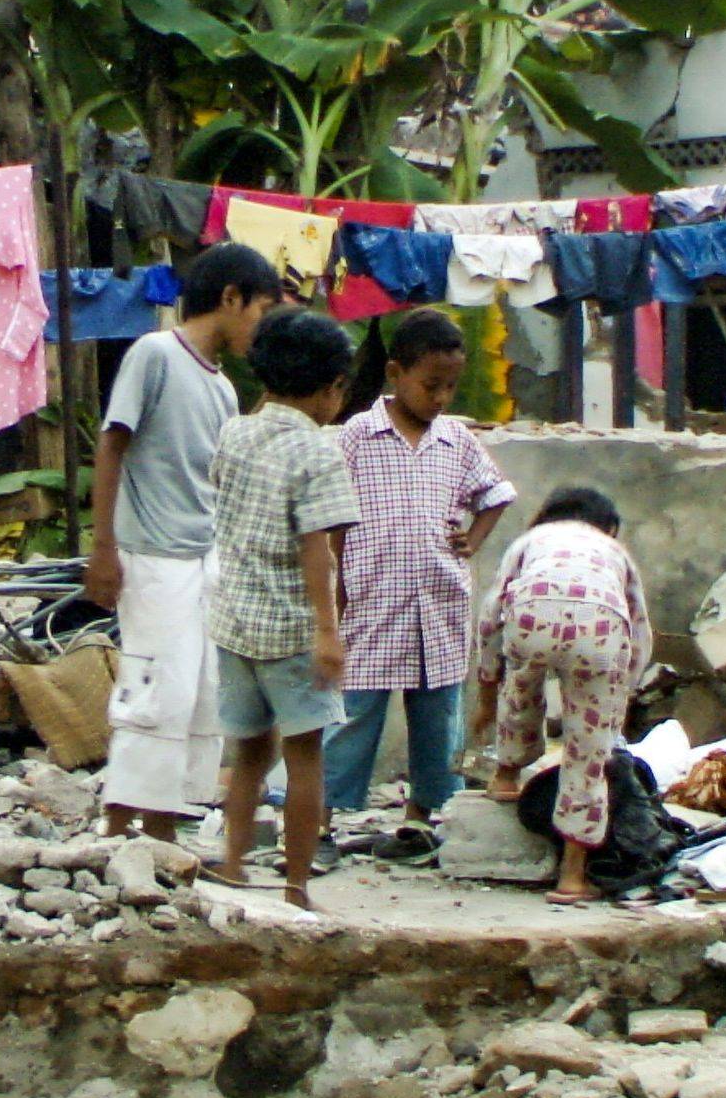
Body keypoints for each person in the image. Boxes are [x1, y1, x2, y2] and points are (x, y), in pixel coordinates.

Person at [85, 243, 282, 843]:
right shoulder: (155, 354)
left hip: (204, 558)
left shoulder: (223, 389)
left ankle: (165, 825)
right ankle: (121, 827)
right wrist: (103, 547)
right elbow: (112, 444)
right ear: (230, 298)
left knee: (199, 694)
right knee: (154, 693)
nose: (260, 329)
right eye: (260, 311)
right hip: (153, 556)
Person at [321, 309, 516, 867]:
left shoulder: (456, 440)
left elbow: (496, 494)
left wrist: (472, 540)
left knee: (437, 719)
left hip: (439, 605)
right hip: (372, 602)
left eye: (450, 387)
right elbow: (333, 518)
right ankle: (321, 822)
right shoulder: (358, 435)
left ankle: (420, 819)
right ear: (395, 373)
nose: (441, 398)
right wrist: (335, 591)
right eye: (431, 386)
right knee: (352, 715)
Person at [209, 308, 360, 910]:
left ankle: (233, 863)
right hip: (292, 628)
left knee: (248, 750)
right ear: (331, 387)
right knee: (304, 759)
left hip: (232, 620)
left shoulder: (234, 433)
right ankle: (297, 885)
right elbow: (316, 546)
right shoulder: (318, 451)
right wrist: (328, 631)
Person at [472, 486, 653, 904]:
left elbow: (491, 613)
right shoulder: (614, 550)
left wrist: (486, 687)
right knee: (588, 756)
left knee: (521, 684)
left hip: (532, 617)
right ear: (608, 526)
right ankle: (572, 877)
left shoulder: (530, 541)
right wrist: (620, 694)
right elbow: (640, 628)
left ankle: (506, 774)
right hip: (600, 628)